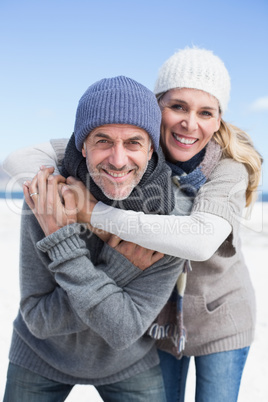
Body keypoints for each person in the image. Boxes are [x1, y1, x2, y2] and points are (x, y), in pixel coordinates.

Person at [4, 48, 263, 402]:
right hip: (153, 325)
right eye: (178, 107)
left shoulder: (195, 200)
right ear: (156, 112)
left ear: (219, 120)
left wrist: (89, 216)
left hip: (216, 313)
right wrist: (119, 266)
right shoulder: (57, 189)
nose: (190, 123)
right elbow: (40, 318)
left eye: (206, 112)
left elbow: (197, 242)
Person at [3, 76, 188, 402]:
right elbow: (38, 320)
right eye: (103, 141)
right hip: (41, 356)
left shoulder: (169, 219)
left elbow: (123, 331)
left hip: (128, 361)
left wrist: (62, 241)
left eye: (133, 142)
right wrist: (120, 268)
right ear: (82, 145)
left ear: (150, 150)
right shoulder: (48, 198)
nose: (118, 160)